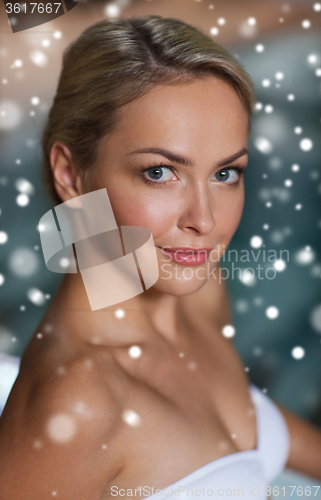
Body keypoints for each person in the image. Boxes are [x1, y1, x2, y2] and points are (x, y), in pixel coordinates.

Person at [0, 15, 320, 500]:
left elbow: (247, 422)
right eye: (159, 173)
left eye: (226, 173)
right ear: (70, 173)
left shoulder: (196, 290)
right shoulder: (79, 404)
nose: (204, 220)